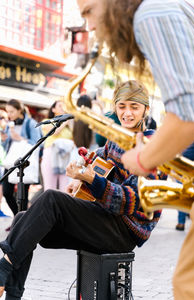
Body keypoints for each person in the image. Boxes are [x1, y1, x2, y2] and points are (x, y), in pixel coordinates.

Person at [76, 0, 194, 299]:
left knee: (189, 287)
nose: (89, 26)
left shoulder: (151, 15)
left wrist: (143, 157)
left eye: (89, 11)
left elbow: (188, 114)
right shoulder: (169, 8)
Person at [0, 80, 162, 300]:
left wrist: (91, 178)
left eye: (134, 107)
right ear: (115, 107)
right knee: (21, 217)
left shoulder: (153, 146)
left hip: (124, 231)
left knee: (51, 199)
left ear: (146, 110)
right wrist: (82, 180)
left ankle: (2, 271)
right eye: (122, 106)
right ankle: (12, 294)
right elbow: (98, 161)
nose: (127, 113)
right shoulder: (116, 141)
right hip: (104, 221)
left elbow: (131, 201)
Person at [1, 100, 42, 217]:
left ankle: (21, 221)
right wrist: (4, 140)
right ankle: (17, 217)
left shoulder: (31, 123)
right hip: (11, 162)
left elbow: (36, 143)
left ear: (19, 110)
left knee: (22, 195)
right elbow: (7, 146)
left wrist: (19, 138)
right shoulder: (10, 124)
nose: (9, 114)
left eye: (12, 111)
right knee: (7, 192)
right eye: (8, 112)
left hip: (24, 162)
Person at [40, 100, 73, 192]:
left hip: (66, 155)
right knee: (50, 187)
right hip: (50, 153)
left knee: (66, 187)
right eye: (60, 106)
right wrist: (64, 122)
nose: (63, 108)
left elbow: (75, 138)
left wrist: (70, 123)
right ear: (53, 109)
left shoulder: (68, 125)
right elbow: (54, 132)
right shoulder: (47, 121)